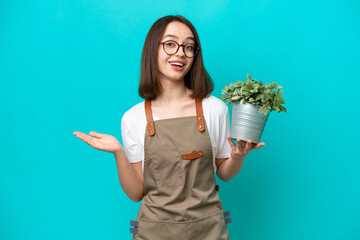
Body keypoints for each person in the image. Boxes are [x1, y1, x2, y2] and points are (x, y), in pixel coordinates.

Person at [73, 15, 265, 240]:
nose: (180, 53)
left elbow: (224, 173)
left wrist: (238, 156)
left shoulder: (215, 108)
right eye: (170, 44)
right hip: (154, 232)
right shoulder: (133, 118)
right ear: (152, 50)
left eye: (189, 47)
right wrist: (118, 152)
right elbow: (136, 193)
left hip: (209, 231)